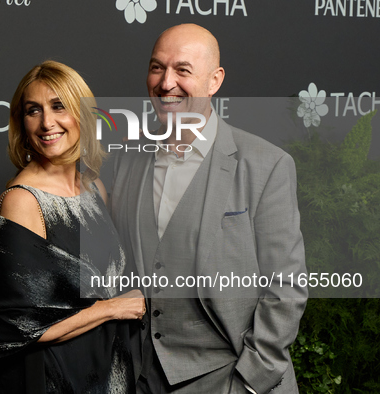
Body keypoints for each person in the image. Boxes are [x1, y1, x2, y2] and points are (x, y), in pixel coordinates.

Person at [110, 24, 308, 393]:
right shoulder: (126, 160)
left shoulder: (266, 164)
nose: (166, 82)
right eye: (157, 67)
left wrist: (249, 382)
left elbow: (286, 287)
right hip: (142, 378)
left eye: (182, 70)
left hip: (233, 377)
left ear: (215, 80)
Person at [0, 60, 145, 394]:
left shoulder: (93, 188)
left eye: (58, 107)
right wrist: (112, 308)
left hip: (105, 366)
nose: (46, 122)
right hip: (50, 376)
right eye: (33, 110)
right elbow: (19, 325)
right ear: (21, 123)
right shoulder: (23, 200)